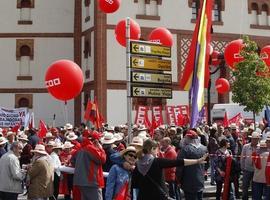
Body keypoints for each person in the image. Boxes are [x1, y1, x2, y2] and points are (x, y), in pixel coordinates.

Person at [132, 139, 207, 200]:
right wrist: (197, 161)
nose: (157, 152)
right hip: (159, 196)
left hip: (143, 196)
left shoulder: (137, 164)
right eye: (156, 150)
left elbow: (135, 184)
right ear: (152, 149)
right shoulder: (157, 161)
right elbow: (178, 162)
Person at [72, 134, 106, 200]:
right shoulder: (90, 148)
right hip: (91, 182)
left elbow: (72, 161)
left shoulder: (80, 148)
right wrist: (100, 149)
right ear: (95, 140)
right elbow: (102, 159)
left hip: (81, 181)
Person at [176, 130, 207, 200]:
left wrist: (178, 180)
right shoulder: (204, 148)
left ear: (188, 138)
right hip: (200, 180)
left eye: (185, 138)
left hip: (188, 182)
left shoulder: (185, 150)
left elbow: (180, 166)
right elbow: (206, 164)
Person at [241, 131, 260, 200]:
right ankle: (244, 198)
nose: (254, 140)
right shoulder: (245, 147)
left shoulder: (260, 147)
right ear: (251, 139)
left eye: (256, 139)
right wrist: (242, 167)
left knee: (255, 186)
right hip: (247, 169)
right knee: (245, 185)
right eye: (253, 138)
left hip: (256, 170)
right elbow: (242, 158)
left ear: (258, 139)